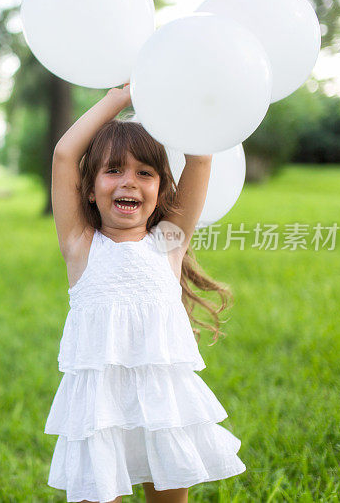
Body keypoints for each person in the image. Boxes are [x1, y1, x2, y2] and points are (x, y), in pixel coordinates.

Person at [45, 83, 247, 503]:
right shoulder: (81, 245)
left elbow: (201, 156)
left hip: (162, 404)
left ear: (160, 189)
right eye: (113, 170)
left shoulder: (169, 242)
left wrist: (173, 96)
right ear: (89, 187)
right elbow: (65, 155)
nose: (129, 183)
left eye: (145, 173)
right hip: (100, 408)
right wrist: (118, 99)